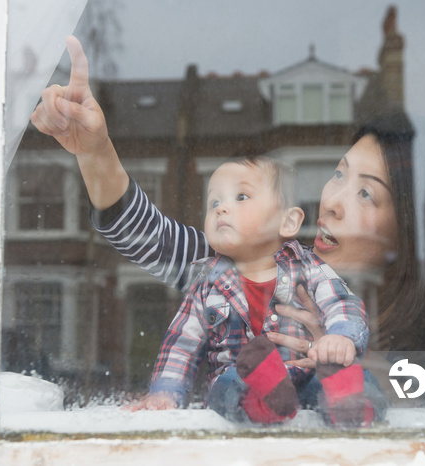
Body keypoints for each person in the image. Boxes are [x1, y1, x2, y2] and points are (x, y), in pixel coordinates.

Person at [31, 37, 425, 411]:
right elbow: (149, 237)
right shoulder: (263, 265)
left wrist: (347, 363)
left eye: (366, 193)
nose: (331, 202)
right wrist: (94, 149)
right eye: (338, 174)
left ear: (421, 227)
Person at [128, 155, 370, 424]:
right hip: (240, 378)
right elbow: (181, 343)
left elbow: (341, 301)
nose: (221, 209)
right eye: (214, 202)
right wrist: (166, 393)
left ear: (287, 222)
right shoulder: (207, 283)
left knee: (346, 376)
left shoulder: (307, 265)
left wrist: (341, 337)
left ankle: (350, 403)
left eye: (241, 197)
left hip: (306, 373)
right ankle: (264, 402)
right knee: (227, 388)